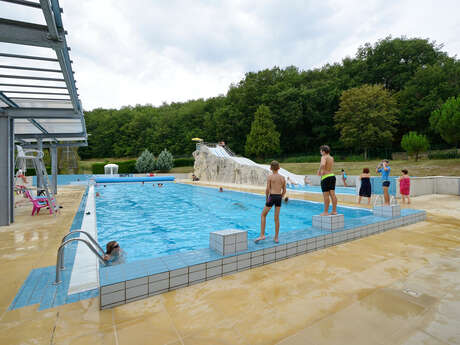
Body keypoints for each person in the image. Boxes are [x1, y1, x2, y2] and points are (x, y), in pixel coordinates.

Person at [255, 160, 286, 244]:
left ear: (270, 168)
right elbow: (284, 190)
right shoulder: (282, 178)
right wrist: (281, 197)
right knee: (276, 218)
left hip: (271, 197)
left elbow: (267, 189)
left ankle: (262, 235)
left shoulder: (270, 177)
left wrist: (266, 198)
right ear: (279, 168)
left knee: (263, 215)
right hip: (279, 197)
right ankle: (276, 238)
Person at [317, 145, 337, 216]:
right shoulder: (331, 158)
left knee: (326, 195)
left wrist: (319, 171)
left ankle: (325, 212)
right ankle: (334, 211)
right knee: (333, 194)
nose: (320, 152)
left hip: (325, 177)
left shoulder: (323, 157)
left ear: (324, 151)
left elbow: (322, 164)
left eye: (321, 151)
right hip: (332, 176)